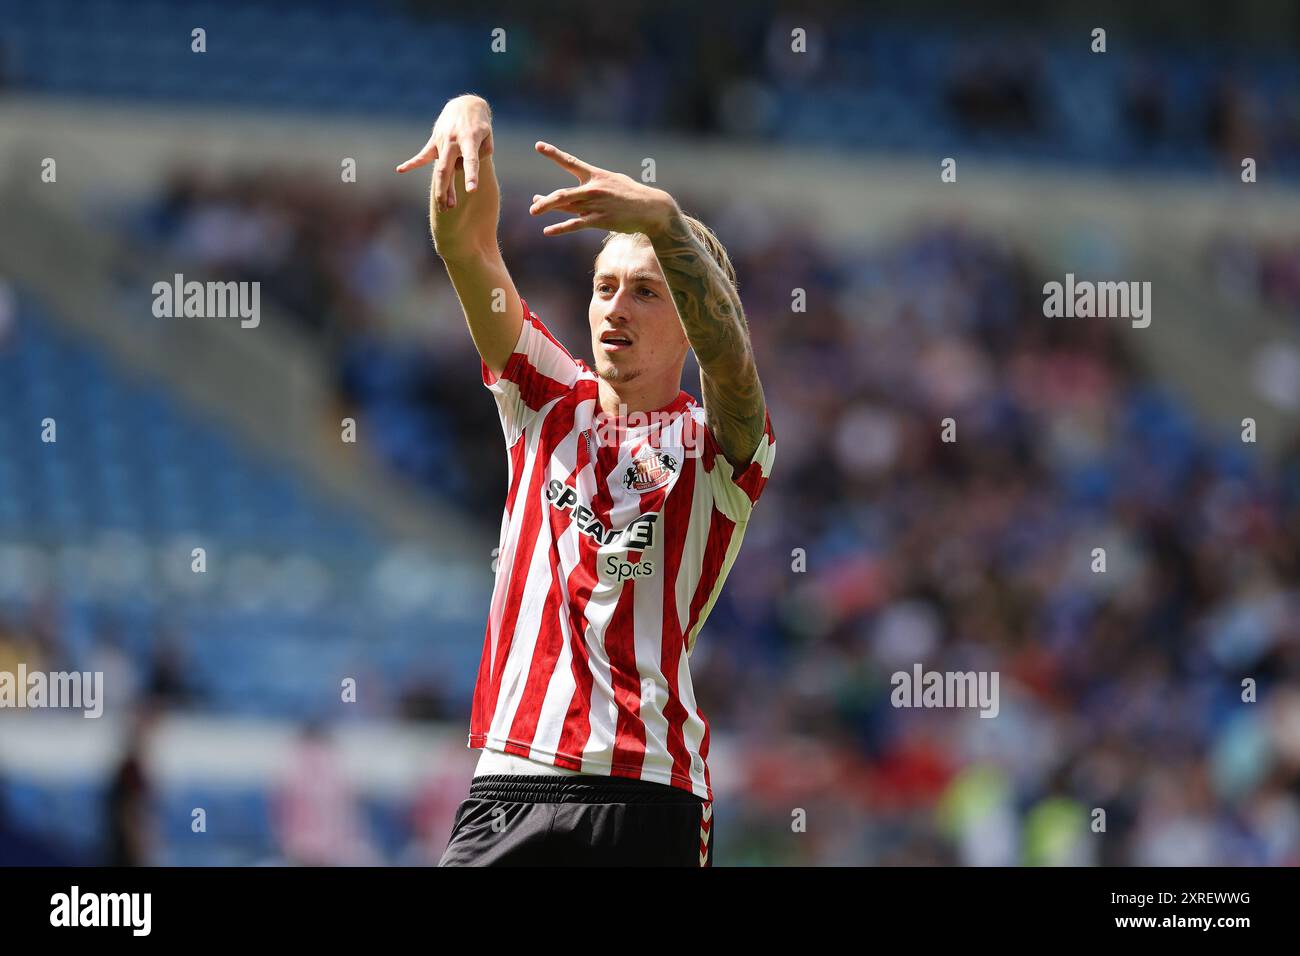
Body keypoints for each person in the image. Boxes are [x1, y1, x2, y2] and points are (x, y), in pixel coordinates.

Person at [396, 93, 776, 866]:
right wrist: (465, 113)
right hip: (509, 780)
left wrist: (667, 222)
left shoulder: (717, 449)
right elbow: (468, 250)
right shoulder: (542, 400)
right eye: (605, 286)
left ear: (695, 317)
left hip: (647, 790)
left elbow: (732, 365)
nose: (615, 308)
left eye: (646, 290)